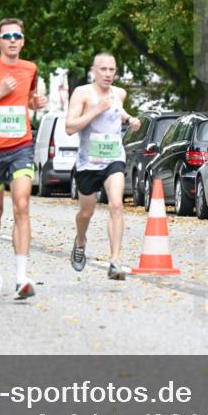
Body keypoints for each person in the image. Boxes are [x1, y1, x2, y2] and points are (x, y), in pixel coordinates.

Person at [0, 18, 47, 299]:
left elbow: (26, 100)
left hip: (21, 146)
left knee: (22, 205)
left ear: (23, 41)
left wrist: (35, 104)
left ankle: (21, 277)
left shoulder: (31, 68)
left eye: (17, 35)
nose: (13, 40)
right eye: (7, 36)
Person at [65, 52, 140, 280]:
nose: (108, 74)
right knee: (86, 212)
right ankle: (80, 241)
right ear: (93, 71)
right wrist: (96, 110)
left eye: (111, 70)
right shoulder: (82, 93)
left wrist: (129, 120)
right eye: (103, 69)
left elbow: (118, 111)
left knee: (116, 204)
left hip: (113, 158)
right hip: (88, 163)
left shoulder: (120, 93)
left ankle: (115, 261)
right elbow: (70, 127)